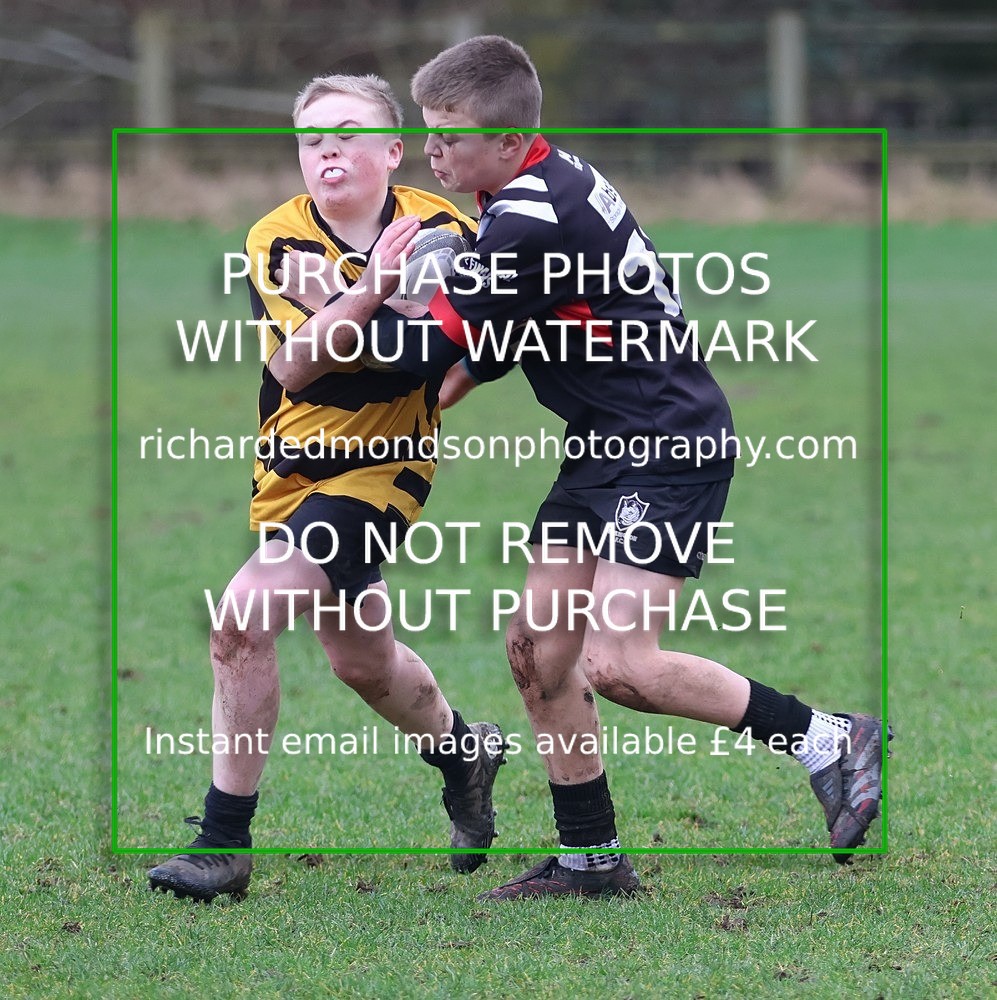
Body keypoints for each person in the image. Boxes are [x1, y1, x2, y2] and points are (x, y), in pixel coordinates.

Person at [341, 36, 891, 900]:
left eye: (448, 136)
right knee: (537, 655)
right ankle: (589, 860)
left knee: (617, 663)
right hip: (604, 442)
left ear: (511, 139)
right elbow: (504, 328)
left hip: (667, 443)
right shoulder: (525, 188)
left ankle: (828, 739)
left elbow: (425, 350)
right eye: (427, 133)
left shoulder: (527, 213)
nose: (431, 151)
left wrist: (338, 308)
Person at [147, 74, 506, 903]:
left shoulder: (447, 231)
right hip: (288, 468)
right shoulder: (276, 237)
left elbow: (444, 353)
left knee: (242, 619)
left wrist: (351, 304)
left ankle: (222, 844)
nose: (327, 152)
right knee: (362, 661)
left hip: (384, 469)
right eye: (311, 140)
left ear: (393, 151)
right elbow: (296, 364)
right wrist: (372, 303)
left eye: (347, 135)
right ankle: (464, 753)